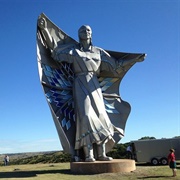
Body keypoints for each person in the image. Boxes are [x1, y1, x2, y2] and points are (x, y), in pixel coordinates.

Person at [38, 17, 144, 162]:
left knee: (101, 116)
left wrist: (134, 59)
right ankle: (89, 155)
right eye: (82, 30)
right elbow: (55, 51)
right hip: (80, 83)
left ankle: (101, 154)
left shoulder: (98, 52)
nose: (86, 31)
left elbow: (116, 66)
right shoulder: (73, 51)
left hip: (95, 86)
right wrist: (44, 30)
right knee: (86, 117)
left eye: (88, 30)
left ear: (91, 34)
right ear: (79, 34)